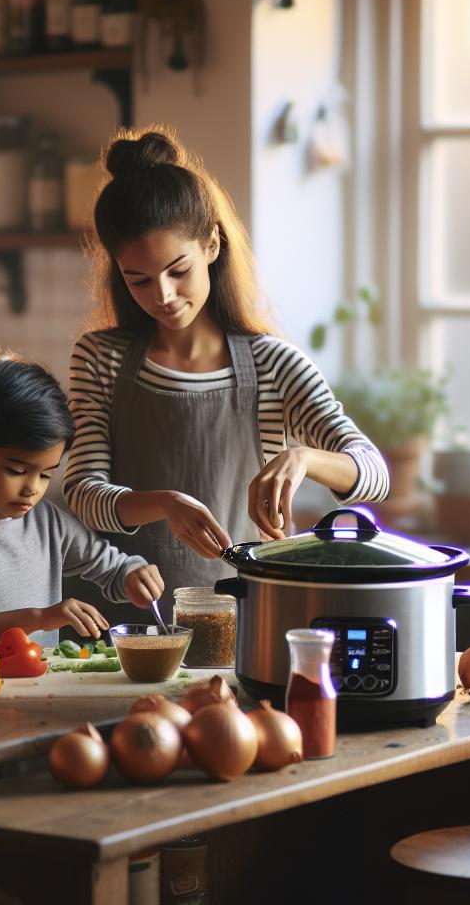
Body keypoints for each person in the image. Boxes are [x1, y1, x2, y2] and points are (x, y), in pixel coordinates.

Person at [63, 128, 389, 621]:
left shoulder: (273, 364)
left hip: (246, 619)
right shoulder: (99, 358)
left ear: (212, 244)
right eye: (140, 280)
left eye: (178, 271)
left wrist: (303, 459)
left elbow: (375, 473)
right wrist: (166, 504)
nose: (164, 295)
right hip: (125, 625)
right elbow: (86, 493)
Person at [0, 354, 165, 655]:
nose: (32, 489)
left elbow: (113, 568)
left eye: (46, 474)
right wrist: (39, 619)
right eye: (17, 471)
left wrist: (134, 574)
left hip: (41, 691)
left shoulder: (47, 522)